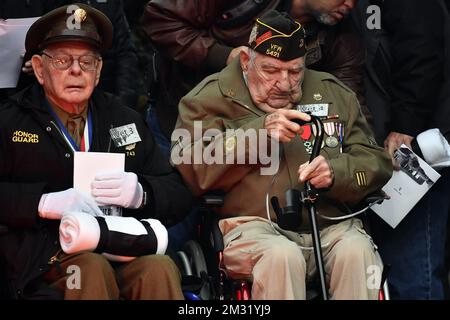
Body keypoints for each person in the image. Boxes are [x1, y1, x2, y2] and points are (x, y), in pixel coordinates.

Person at [173, 10, 392, 299]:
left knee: (357, 250)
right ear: (245, 61)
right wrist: (258, 134)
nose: (285, 83)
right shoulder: (209, 99)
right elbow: (190, 166)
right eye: (271, 71)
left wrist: (337, 172)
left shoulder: (332, 92)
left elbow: (376, 161)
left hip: (330, 224)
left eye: (295, 72)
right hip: (252, 228)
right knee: (281, 256)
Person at [0, 3, 192, 299]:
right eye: (63, 61)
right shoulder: (10, 121)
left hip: (118, 246)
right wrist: (40, 202)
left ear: (99, 70)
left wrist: (143, 194)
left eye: (86, 62)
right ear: (39, 69)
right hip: (44, 257)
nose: (76, 71)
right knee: (88, 269)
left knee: (160, 268)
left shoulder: (123, 118)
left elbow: (178, 192)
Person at [141, 0, 365, 152]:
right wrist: (222, 55)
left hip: (272, 141)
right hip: (184, 119)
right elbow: (160, 18)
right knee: (177, 206)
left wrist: (360, 152)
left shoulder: (342, 36)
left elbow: (350, 103)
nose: (350, 5)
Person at [354, 0, 450, 299]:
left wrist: (406, 124)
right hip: (381, 146)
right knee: (399, 269)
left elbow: (422, 53)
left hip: (415, 146)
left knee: (414, 270)